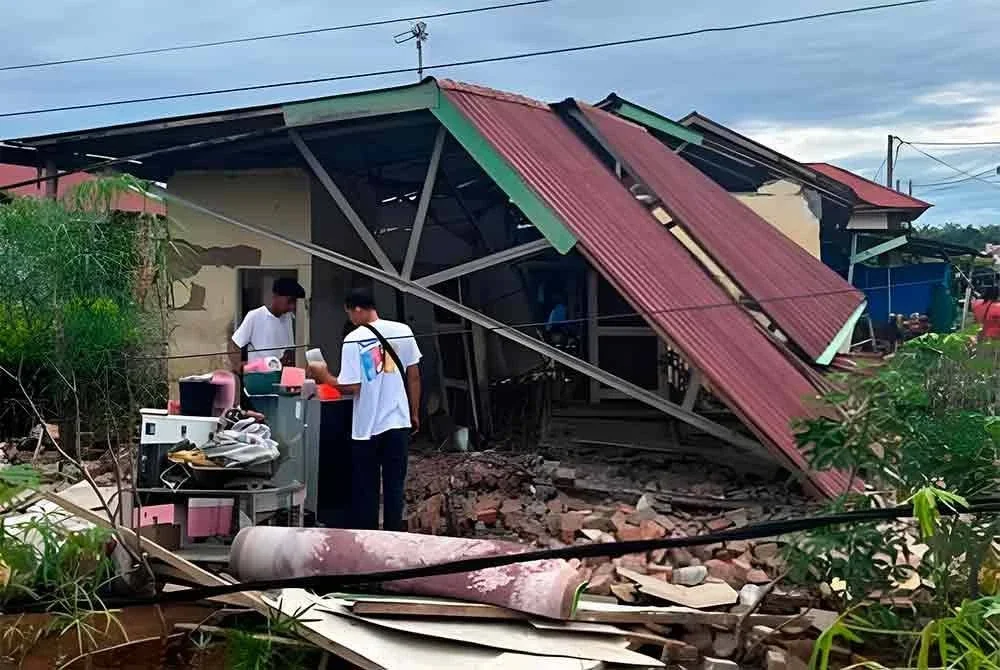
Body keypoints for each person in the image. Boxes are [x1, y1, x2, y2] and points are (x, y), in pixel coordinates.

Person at [308, 288, 422, 531]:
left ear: (357, 309)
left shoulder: (353, 338)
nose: (350, 318)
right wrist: (413, 412)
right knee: (394, 486)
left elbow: (351, 387)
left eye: (349, 313)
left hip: (367, 428)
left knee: (366, 487)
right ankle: (393, 536)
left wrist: (324, 375)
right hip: (398, 423)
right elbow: (414, 377)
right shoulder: (403, 331)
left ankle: (368, 538)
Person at [229, 277, 306, 371]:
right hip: (257, 376)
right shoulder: (255, 316)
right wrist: (239, 365)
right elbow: (234, 344)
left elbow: (288, 349)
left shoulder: (288, 318)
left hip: (277, 375)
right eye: (289, 301)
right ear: (276, 296)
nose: (292, 306)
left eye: (294, 302)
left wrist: (287, 358)